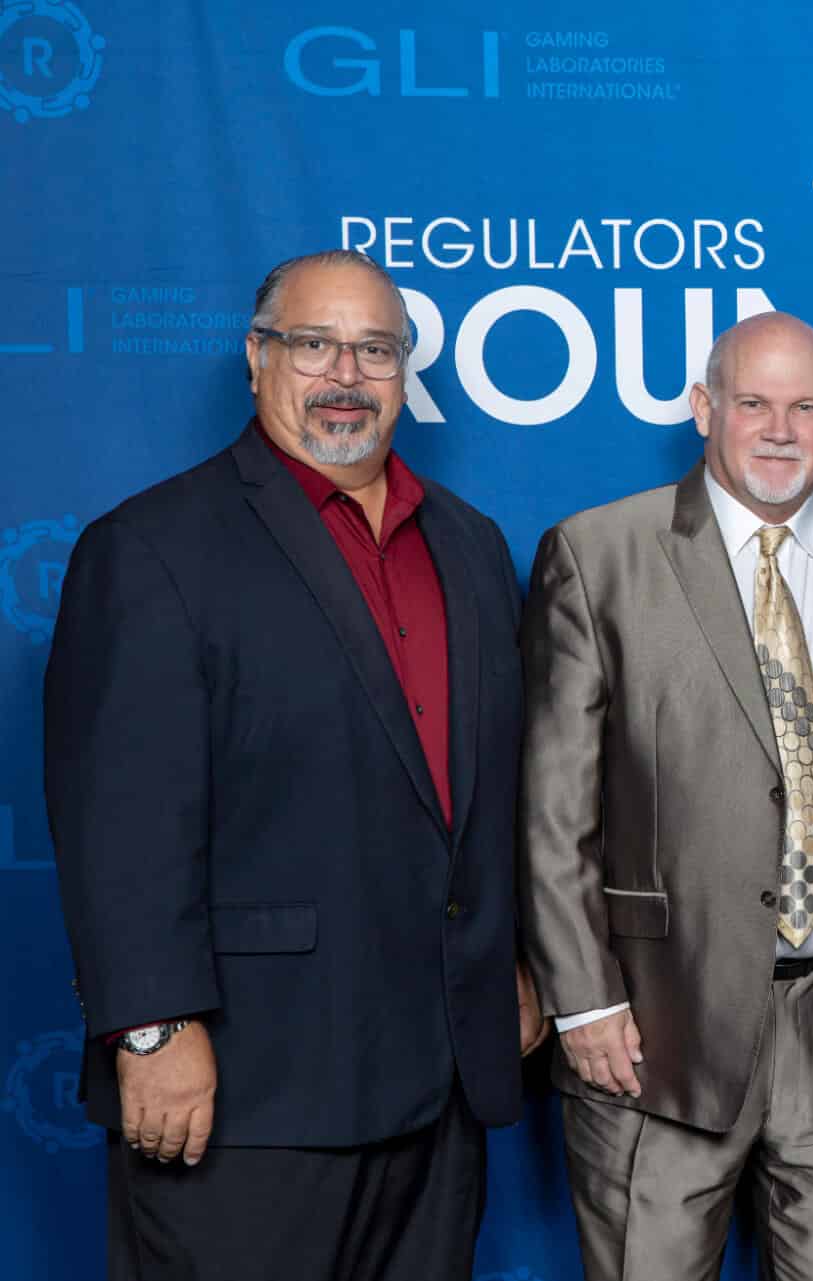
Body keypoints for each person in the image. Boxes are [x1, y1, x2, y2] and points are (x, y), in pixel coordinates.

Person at [45, 249, 545, 1281]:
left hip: (439, 1076)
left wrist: (509, 959)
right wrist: (150, 1030)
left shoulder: (471, 546)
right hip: (246, 1088)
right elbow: (118, 823)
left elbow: (490, 793)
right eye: (314, 344)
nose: (346, 375)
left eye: (376, 350)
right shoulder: (152, 546)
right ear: (256, 357)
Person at [518, 311, 813, 1281]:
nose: (780, 431)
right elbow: (552, 809)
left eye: (806, 407)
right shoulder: (599, 553)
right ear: (704, 408)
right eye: (753, 403)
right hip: (656, 1024)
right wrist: (583, 1001)